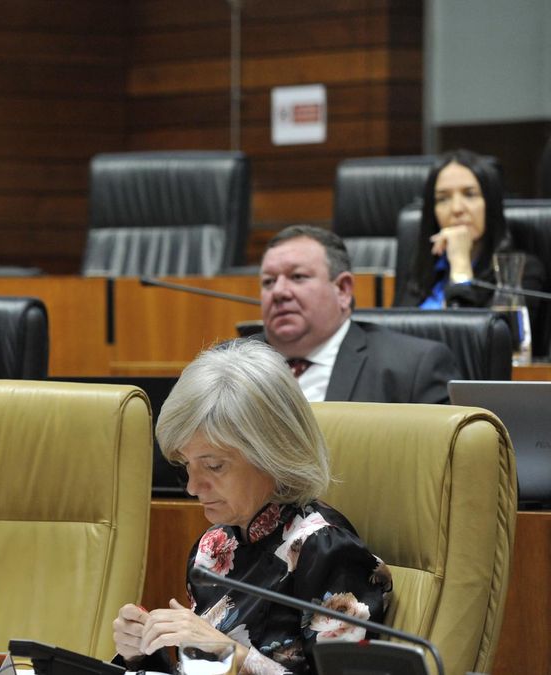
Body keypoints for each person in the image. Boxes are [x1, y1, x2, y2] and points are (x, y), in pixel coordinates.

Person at [113, 339, 392, 674]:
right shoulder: (216, 545)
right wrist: (142, 649)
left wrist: (228, 652)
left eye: (214, 466)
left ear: (273, 453)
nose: (192, 487)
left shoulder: (325, 551)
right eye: (187, 465)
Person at [258, 225, 459, 403]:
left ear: (343, 290)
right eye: (269, 281)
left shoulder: (412, 369)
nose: (278, 292)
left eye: (297, 277)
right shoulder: (231, 363)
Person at [397, 149, 545, 308]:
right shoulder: (422, 267)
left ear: (490, 204)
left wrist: (460, 265)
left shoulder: (521, 272)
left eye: (469, 194)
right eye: (443, 198)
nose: (456, 208)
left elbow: (469, 331)